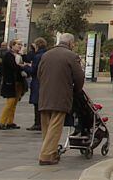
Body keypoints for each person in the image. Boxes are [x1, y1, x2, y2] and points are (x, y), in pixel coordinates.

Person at [36, 33, 85, 165]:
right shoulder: (71, 56)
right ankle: (46, 155)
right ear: (70, 43)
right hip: (61, 95)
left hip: (45, 94)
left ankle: (51, 152)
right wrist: (76, 90)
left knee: (46, 125)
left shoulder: (46, 54)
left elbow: (39, 73)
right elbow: (79, 77)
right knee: (56, 125)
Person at [0, 40, 28, 130]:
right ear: (12, 46)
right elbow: (13, 67)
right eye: (18, 44)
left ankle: (10, 122)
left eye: (21, 45)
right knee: (10, 103)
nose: (20, 46)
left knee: (14, 103)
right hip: (10, 82)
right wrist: (22, 66)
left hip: (18, 82)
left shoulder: (19, 56)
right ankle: (2, 122)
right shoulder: (9, 55)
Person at [26, 37, 49, 131]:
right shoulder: (46, 54)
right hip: (45, 81)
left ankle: (37, 123)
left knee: (37, 103)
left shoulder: (37, 56)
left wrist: (25, 67)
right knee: (42, 103)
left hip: (37, 81)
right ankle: (43, 122)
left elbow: (33, 70)